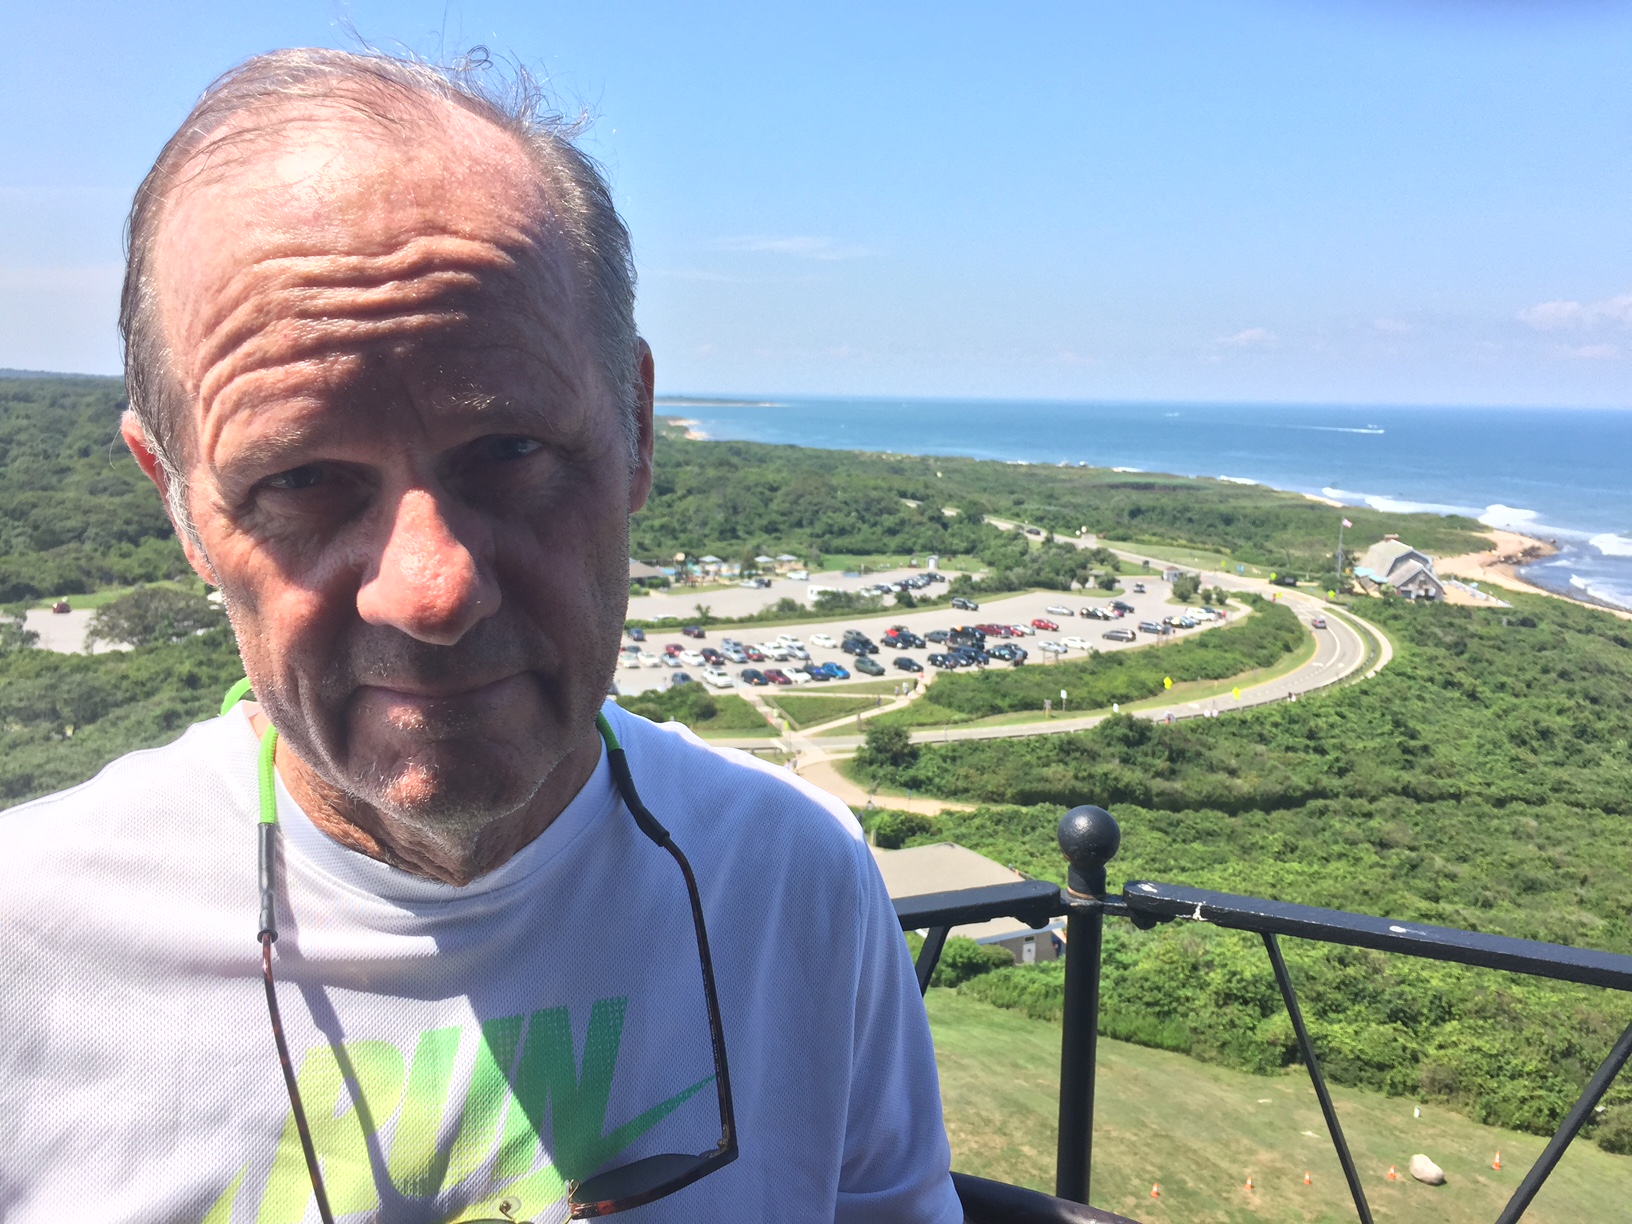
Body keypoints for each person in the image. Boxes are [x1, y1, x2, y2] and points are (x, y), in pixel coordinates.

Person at [0, 49, 959, 1224]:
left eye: (510, 452)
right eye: (303, 479)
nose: (434, 589)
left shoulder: (797, 880)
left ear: (640, 430)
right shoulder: (27, 950)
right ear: (182, 507)